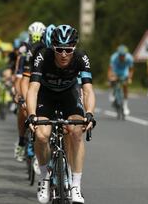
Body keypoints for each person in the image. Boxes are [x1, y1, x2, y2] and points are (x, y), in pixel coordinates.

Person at [26, 25, 96, 204]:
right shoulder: (42, 56)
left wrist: (89, 113)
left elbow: (87, 90)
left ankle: (76, 186)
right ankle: (44, 179)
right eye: (59, 49)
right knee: (41, 136)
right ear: (52, 47)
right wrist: (32, 115)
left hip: (68, 94)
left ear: (74, 47)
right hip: (46, 95)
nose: (64, 54)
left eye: (68, 49)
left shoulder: (81, 57)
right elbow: (33, 89)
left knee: (76, 132)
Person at [14, 22, 46, 162]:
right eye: (34, 38)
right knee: (23, 109)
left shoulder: (47, 49)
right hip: (25, 79)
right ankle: (21, 141)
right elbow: (20, 77)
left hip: (40, 82)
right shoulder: (24, 49)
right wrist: (20, 95)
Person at [107, 45, 134, 115]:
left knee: (125, 85)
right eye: (121, 55)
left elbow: (131, 70)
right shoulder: (114, 58)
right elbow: (110, 70)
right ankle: (112, 94)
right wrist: (110, 78)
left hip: (124, 72)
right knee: (112, 82)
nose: (122, 57)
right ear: (118, 54)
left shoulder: (129, 58)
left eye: (124, 55)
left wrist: (130, 78)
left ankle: (125, 105)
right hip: (115, 71)